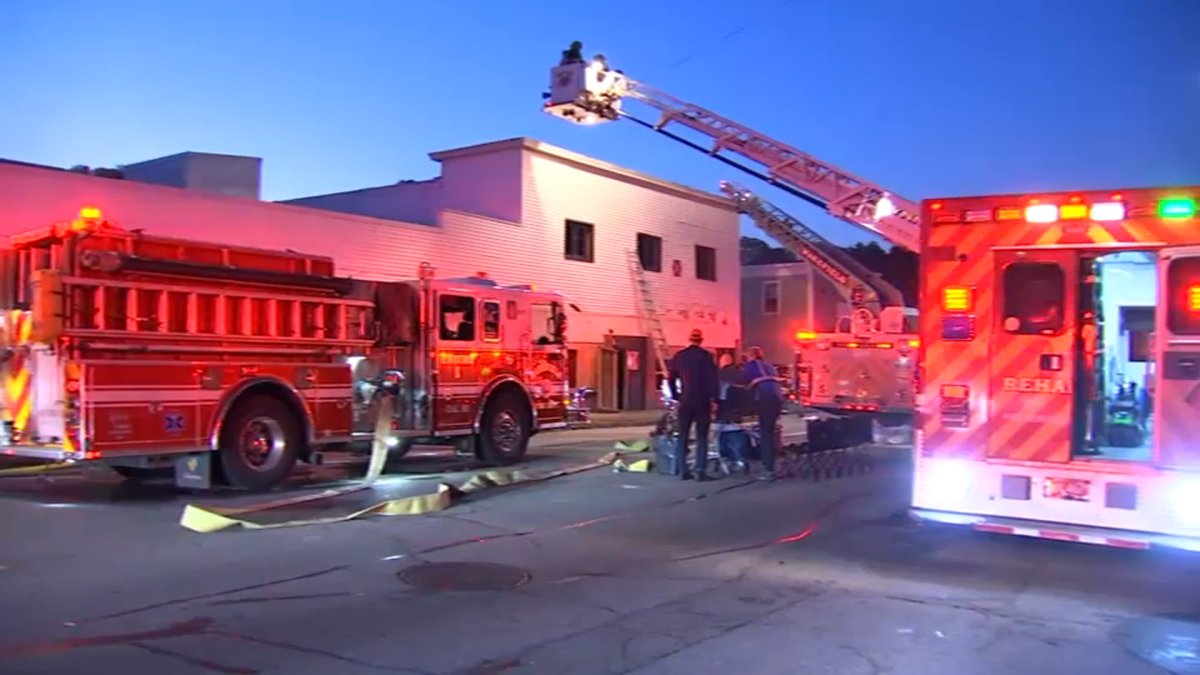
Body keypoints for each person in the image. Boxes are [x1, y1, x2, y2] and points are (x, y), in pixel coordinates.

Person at [668, 329, 719, 481]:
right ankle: (700, 470)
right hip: (702, 401)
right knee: (702, 436)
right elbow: (712, 379)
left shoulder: (679, 356)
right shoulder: (706, 356)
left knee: (683, 435)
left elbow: (671, 379)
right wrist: (714, 399)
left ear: (689, 340)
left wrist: (676, 396)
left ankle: (683, 470)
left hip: (685, 400)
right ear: (701, 340)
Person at [741, 345, 784, 481]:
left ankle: (769, 469)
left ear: (751, 355)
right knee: (770, 432)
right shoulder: (769, 366)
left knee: (765, 434)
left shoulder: (751, 365)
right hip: (777, 399)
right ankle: (772, 463)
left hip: (764, 399)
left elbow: (743, 382)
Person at [715, 353, 750, 474]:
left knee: (721, 433)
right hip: (740, 412)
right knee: (735, 432)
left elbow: (718, 394)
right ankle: (739, 457)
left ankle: (724, 456)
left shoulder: (719, 375)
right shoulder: (740, 373)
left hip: (724, 410)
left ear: (722, 362)